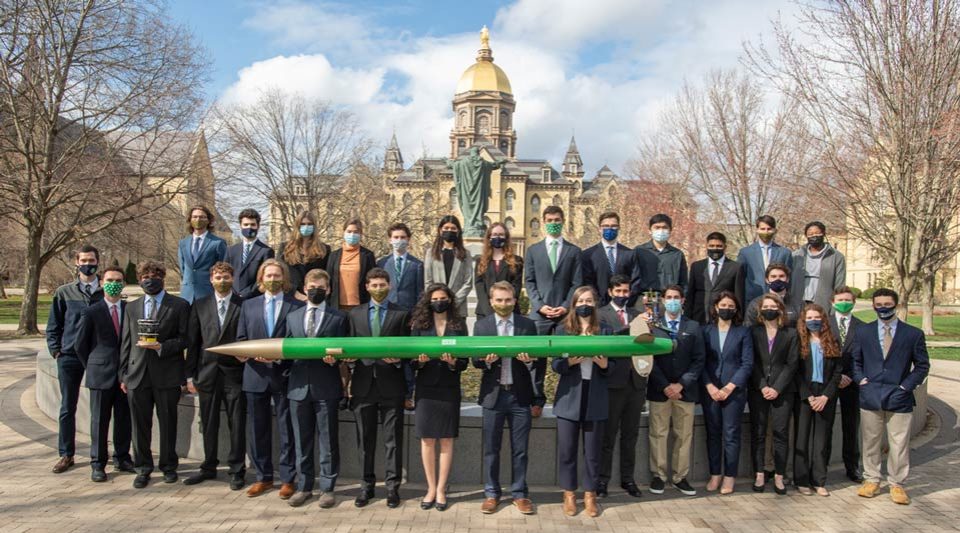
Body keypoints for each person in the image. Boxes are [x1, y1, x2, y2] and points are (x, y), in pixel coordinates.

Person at [852, 288, 929, 505]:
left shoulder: (912, 334)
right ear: (873, 305)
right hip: (871, 395)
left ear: (895, 304)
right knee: (870, 441)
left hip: (899, 396)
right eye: (879, 304)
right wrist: (861, 380)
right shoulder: (864, 332)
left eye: (887, 303)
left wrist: (906, 386)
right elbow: (855, 361)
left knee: (899, 443)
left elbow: (922, 365)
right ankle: (871, 479)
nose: (883, 307)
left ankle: (897, 483)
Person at [119, 260, 190, 489]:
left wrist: (161, 347)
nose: (150, 279)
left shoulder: (179, 305)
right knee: (140, 426)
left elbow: (184, 339)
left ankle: (169, 466)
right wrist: (123, 375)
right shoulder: (131, 307)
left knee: (168, 423)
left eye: (155, 275)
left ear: (163, 277)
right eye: (145, 276)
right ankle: (143, 468)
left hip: (167, 373)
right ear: (139, 280)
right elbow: (126, 343)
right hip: (137, 375)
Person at [237, 259, 303, 499]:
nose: (273, 279)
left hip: (284, 375)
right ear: (261, 279)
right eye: (268, 275)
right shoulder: (248, 306)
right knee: (258, 429)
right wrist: (248, 354)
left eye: (277, 275)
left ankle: (287, 479)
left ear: (284, 279)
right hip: (255, 375)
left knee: (287, 429)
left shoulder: (295, 306)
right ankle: (263, 477)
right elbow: (241, 337)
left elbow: (297, 342)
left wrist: (276, 358)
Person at [345, 268, 411, 509]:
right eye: (374, 285)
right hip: (363, 385)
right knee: (365, 440)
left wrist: (400, 359)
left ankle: (393, 488)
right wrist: (349, 361)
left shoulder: (401, 314)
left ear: (389, 286)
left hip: (391, 385)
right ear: (367, 287)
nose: (378, 289)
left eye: (382, 285)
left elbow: (408, 349)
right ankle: (366, 486)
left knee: (392, 441)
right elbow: (349, 347)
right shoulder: (354, 314)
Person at [473, 281, 539, 515]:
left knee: (520, 449)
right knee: (492, 448)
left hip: (520, 396)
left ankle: (520, 494)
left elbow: (538, 360)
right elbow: (475, 360)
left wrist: (529, 360)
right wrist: (486, 361)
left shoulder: (527, 325)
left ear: (515, 301)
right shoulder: (482, 326)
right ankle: (492, 493)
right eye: (499, 300)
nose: (503, 304)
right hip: (493, 396)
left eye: (508, 300)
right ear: (491, 301)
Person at [284, 269, 349, 508]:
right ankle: (304, 487)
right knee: (302, 441)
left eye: (321, 287)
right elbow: (286, 350)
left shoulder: (339, 318)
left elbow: (345, 352)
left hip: (326, 387)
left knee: (328, 441)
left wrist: (338, 361)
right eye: (312, 286)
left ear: (329, 290)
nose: (316, 291)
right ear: (304, 287)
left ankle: (328, 488)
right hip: (298, 388)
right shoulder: (292, 316)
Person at [183, 262, 246, 489]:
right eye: (218, 277)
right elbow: (193, 343)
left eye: (226, 277)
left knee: (236, 423)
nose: (222, 281)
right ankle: (208, 466)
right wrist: (189, 377)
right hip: (207, 374)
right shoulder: (200, 305)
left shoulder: (243, 305)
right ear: (211, 280)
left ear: (233, 278)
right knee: (208, 423)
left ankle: (237, 469)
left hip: (234, 374)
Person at [552, 286, 614, 518]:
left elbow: (616, 366)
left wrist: (604, 365)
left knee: (593, 452)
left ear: (595, 304)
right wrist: (569, 363)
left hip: (595, 396)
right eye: (581, 301)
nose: (585, 304)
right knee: (567, 450)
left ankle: (590, 495)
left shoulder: (606, 331)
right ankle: (569, 494)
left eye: (589, 300)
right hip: (570, 398)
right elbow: (555, 364)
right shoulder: (563, 330)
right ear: (574, 304)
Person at [410, 284, 469, 512]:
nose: (439, 301)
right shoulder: (419, 324)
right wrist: (420, 361)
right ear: (428, 301)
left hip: (448, 387)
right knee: (427, 440)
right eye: (435, 298)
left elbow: (464, 360)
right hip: (426, 388)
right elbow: (411, 360)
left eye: (443, 298)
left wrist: (454, 363)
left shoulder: (458, 324)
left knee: (446, 439)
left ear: (450, 300)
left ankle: (442, 489)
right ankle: (431, 488)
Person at [46, 244, 104, 474]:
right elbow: (54, 324)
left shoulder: (105, 291)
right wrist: (55, 350)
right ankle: (66, 453)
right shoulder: (64, 292)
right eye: (84, 260)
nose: (88, 264)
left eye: (92, 260)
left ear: (98, 262)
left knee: (99, 408)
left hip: (97, 356)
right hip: (69, 356)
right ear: (76, 262)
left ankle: (99, 455)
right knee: (67, 407)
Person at [74, 264, 132, 482]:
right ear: (102, 283)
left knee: (124, 419)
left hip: (125, 374)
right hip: (100, 374)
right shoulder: (91, 311)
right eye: (109, 280)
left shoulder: (130, 309)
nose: (114, 284)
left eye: (118, 280)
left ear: (124, 283)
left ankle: (122, 457)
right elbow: (80, 345)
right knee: (99, 420)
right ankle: (98, 463)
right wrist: (93, 365)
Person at [645, 284, 704, 497]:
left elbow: (699, 359)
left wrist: (681, 384)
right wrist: (665, 385)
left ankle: (680, 477)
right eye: (668, 297)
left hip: (685, 390)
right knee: (658, 433)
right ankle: (658, 476)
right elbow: (649, 357)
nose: (672, 300)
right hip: (659, 389)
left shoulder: (694, 326)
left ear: (683, 300)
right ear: (662, 300)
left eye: (676, 297)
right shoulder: (654, 326)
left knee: (684, 435)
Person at [525, 206, 582, 416]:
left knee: (567, 359)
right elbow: (529, 282)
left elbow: (577, 283)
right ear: (543, 221)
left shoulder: (574, 251)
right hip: (539, 315)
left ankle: (567, 400)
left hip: (565, 315)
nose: (553, 222)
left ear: (563, 220)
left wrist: (565, 306)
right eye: (549, 219)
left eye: (557, 219)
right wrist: (540, 306)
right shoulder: (533, 250)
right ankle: (536, 400)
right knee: (535, 360)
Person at [596, 274, 646, 498]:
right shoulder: (600, 315)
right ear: (610, 292)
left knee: (630, 435)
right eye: (618, 291)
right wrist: (628, 331)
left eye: (626, 291)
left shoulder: (639, 314)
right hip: (612, 382)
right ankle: (602, 480)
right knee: (608, 436)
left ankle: (628, 479)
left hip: (636, 383)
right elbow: (605, 341)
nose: (622, 295)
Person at [701, 291, 753, 495]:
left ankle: (730, 476)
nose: (726, 309)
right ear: (715, 307)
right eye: (723, 305)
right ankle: (715, 474)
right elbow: (701, 361)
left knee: (731, 434)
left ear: (736, 309)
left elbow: (747, 363)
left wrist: (730, 387)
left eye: (731, 306)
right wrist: (710, 386)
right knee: (713, 434)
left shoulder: (743, 332)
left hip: (734, 392)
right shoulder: (706, 331)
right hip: (710, 391)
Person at [748, 294, 798, 495]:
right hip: (758, 389)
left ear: (780, 309)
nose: (769, 309)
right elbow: (751, 362)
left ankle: (779, 475)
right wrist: (762, 385)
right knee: (758, 433)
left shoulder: (791, 333)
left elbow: (792, 363)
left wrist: (776, 387)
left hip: (783, 391)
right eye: (766, 306)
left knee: (781, 433)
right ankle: (759, 473)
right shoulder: (753, 332)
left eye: (773, 306)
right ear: (760, 310)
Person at [794, 303, 842, 496]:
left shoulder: (832, 341)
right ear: (804, 321)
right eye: (810, 318)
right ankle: (802, 480)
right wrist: (808, 396)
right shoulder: (798, 342)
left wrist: (825, 396)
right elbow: (795, 371)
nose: (814, 321)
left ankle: (819, 480)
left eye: (817, 317)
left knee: (822, 440)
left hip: (825, 393)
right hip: (805, 393)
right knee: (802, 438)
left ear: (823, 319)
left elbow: (838, 372)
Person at [829, 286, 865, 482]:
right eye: (840, 299)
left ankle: (852, 466)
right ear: (832, 302)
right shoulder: (824, 324)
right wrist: (836, 376)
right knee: (824, 427)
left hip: (852, 382)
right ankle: (820, 468)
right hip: (828, 382)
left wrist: (850, 375)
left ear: (853, 303)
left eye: (848, 300)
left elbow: (864, 357)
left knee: (851, 426)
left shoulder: (862, 327)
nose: (844, 302)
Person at [581, 211, 647, 307]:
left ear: (619, 227)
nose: (609, 229)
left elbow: (635, 281)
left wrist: (627, 301)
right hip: (598, 307)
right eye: (606, 226)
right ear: (600, 228)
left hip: (624, 306)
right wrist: (598, 302)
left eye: (613, 226)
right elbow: (587, 282)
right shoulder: (588, 255)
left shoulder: (629, 254)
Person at [686, 232, 745, 324]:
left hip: (723, 320)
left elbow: (739, 297)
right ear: (706, 246)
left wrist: (738, 320)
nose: (715, 249)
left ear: (725, 247)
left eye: (719, 246)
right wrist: (687, 318)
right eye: (712, 246)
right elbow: (690, 295)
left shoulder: (735, 268)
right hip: (698, 318)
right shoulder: (696, 267)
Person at [737, 215, 793, 304]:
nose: (766, 232)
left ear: (774, 230)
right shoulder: (745, 253)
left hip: (778, 299)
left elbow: (789, 278)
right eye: (762, 229)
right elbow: (740, 279)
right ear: (757, 230)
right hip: (753, 299)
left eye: (769, 229)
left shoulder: (785, 253)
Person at [425, 215, 473, 317]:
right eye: (446, 228)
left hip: (458, 308)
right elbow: (428, 281)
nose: (449, 231)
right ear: (440, 230)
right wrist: (437, 299)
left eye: (453, 228)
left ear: (458, 231)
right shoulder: (431, 253)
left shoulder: (465, 254)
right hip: (436, 307)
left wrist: (453, 301)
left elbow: (468, 282)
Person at [178, 205, 227, 304]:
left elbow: (222, 269)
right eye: (195, 217)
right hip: (186, 296)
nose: (198, 219)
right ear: (190, 219)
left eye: (202, 217)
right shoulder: (183, 243)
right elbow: (183, 269)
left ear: (208, 220)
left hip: (208, 294)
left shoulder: (218, 243)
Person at [792, 221, 846, 310]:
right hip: (799, 303)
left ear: (824, 233)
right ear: (806, 236)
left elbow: (839, 285)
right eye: (810, 234)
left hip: (823, 303)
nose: (814, 236)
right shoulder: (796, 256)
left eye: (817, 233)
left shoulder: (836, 257)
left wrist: (835, 306)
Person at [278, 211, 331, 301]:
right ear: (297, 226)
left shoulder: (324, 249)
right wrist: (296, 294)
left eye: (309, 224)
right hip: (291, 298)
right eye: (302, 224)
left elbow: (327, 277)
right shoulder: (285, 248)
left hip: (315, 298)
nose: (306, 227)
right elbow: (280, 274)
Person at [474, 222, 524, 319]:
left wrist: (505, 306)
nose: (498, 237)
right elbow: (479, 285)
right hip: (485, 312)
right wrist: (488, 309)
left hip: (510, 310)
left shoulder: (517, 261)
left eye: (501, 234)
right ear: (489, 237)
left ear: (506, 237)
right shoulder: (480, 261)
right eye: (495, 234)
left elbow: (516, 285)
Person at [327, 218, 377, 311]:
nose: (352, 235)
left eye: (356, 232)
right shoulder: (333, 256)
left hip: (361, 307)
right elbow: (328, 281)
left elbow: (372, 280)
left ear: (361, 234)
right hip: (337, 307)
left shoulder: (367, 255)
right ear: (344, 232)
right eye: (349, 231)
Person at [225, 208, 275, 300]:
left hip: (255, 298)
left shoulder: (266, 251)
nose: (249, 227)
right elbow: (226, 272)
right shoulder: (230, 250)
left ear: (258, 226)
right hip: (232, 298)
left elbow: (265, 276)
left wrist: (249, 292)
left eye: (253, 224)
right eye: (246, 224)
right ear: (240, 226)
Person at [377, 222, 424, 311]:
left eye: (402, 237)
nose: (399, 240)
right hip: (387, 310)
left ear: (408, 239)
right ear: (390, 240)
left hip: (408, 311)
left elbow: (420, 292)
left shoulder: (417, 264)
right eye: (396, 237)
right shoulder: (382, 263)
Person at [636, 213, 688, 293]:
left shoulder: (677, 254)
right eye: (657, 227)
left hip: (670, 299)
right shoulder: (639, 251)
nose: (661, 231)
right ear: (650, 230)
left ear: (670, 230)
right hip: (644, 298)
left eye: (664, 227)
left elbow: (683, 282)